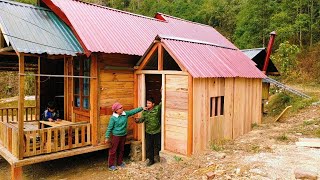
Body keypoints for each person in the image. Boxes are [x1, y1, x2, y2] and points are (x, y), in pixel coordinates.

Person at [105, 102, 146, 171]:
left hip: (123, 135)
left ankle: (119, 162)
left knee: (121, 149)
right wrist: (107, 137)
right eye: (120, 108)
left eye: (122, 107)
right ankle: (111, 165)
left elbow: (133, 111)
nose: (122, 108)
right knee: (113, 150)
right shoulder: (113, 118)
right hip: (116, 136)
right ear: (116, 110)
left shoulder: (125, 114)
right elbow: (109, 128)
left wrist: (141, 108)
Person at [135, 97, 161, 166]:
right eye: (147, 103)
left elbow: (162, 103)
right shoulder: (145, 112)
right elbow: (142, 120)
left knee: (158, 145)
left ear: (153, 104)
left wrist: (162, 91)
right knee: (149, 146)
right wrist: (137, 120)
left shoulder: (157, 109)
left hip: (157, 131)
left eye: (149, 103)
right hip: (148, 132)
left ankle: (158, 157)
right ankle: (151, 160)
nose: (147, 104)